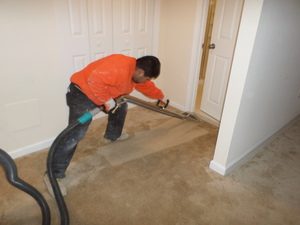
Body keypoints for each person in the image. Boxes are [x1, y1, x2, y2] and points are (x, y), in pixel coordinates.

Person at [44, 54, 166, 196]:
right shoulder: (120, 66)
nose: (147, 81)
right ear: (140, 72)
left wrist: (160, 97)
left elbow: (146, 86)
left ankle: (113, 134)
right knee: (75, 134)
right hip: (81, 93)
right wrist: (105, 101)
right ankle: (53, 175)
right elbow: (93, 80)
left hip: (100, 92)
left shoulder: (136, 73)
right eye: (147, 78)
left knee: (121, 105)